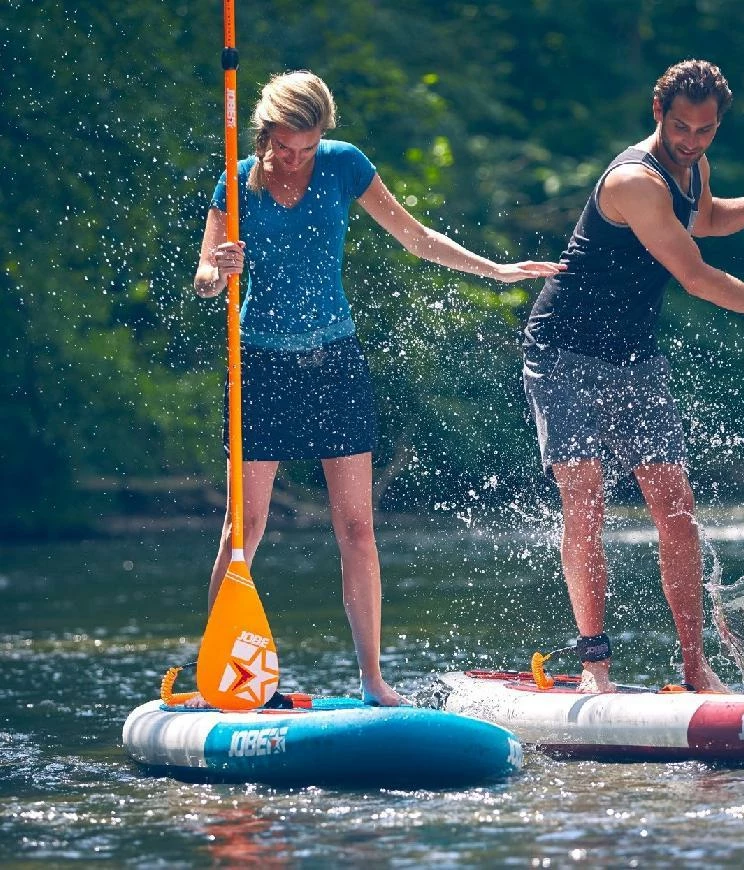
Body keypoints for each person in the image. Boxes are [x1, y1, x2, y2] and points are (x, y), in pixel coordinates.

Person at [194, 70, 563, 707]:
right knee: (242, 529)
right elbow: (204, 277)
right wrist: (217, 268)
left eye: (307, 147)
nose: (296, 158)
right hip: (259, 364)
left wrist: (494, 269)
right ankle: (224, 675)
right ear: (265, 133)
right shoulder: (236, 176)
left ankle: (373, 680)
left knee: (357, 527)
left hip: (334, 361)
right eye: (285, 146)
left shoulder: (344, 167)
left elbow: (416, 237)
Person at [521, 59, 744, 694]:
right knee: (587, 502)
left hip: (634, 354)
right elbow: (698, 274)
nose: (691, 141)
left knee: (676, 512)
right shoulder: (634, 183)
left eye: (705, 131)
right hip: (564, 350)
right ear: (658, 114)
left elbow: (704, 219)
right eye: (681, 127)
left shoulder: (692, 164)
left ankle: (694, 666)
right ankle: (597, 668)